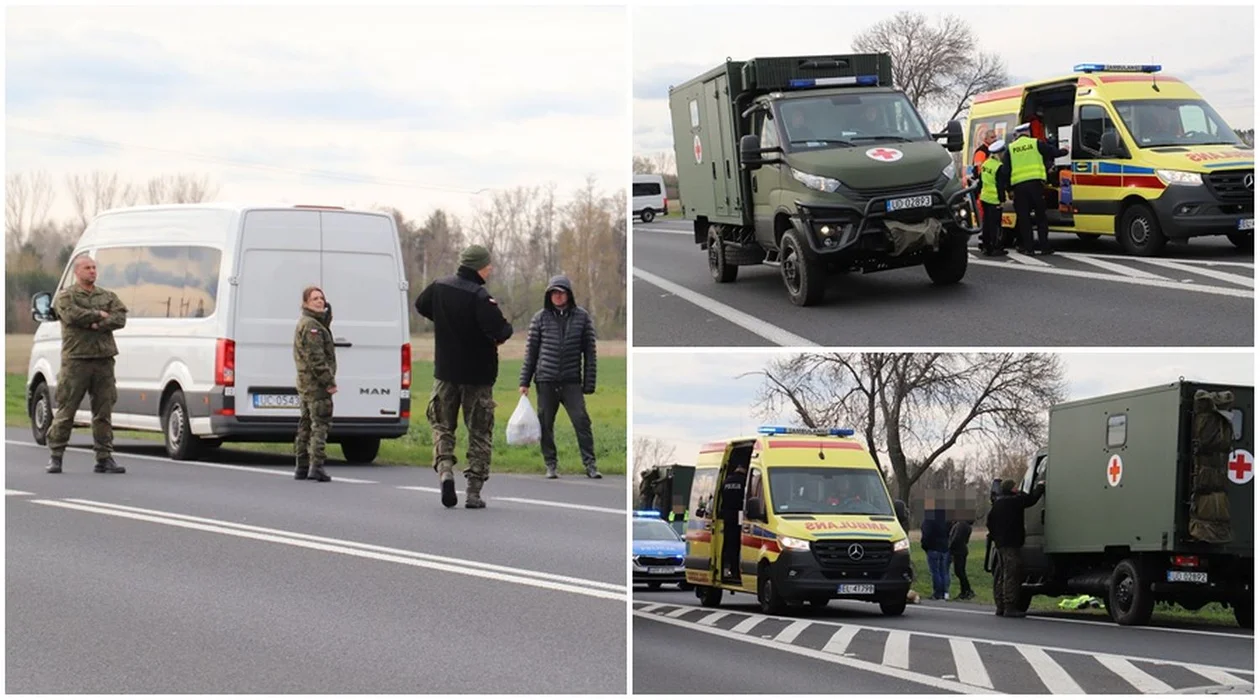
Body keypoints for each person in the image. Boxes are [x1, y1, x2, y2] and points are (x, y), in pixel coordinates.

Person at [415, 244, 513, 509]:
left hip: (445, 373)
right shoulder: (480, 296)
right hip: (477, 377)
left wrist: (446, 323)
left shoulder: (439, 286)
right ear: (478, 266)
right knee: (479, 433)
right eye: (488, 265)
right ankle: (473, 492)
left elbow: (421, 305)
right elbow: (502, 331)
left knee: (442, 426)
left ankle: (445, 469)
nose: (490, 269)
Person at [45, 254, 129, 475]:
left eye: (93, 267)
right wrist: (98, 314)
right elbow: (72, 316)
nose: (92, 271)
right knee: (66, 410)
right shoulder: (66, 296)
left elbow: (120, 317)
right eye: (87, 268)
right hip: (76, 361)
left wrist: (98, 324)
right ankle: (56, 456)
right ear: (77, 272)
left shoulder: (107, 296)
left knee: (103, 411)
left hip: (103, 360)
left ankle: (104, 457)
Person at [519, 275, 601, 480]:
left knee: (582, 421)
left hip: (571, 381)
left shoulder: (582, 317)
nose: (557, 296)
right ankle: (551, 464)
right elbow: (531, 352)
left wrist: (589, 383)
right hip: (546, 380)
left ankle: (590, 464)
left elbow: (590, 352)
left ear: (568, 294)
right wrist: (524, 381)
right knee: (545, 423)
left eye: (561, 292)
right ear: (549, 295)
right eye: (553, 293)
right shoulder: (540, 318)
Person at [1002, 123, 1068, 255]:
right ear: (1028, 132)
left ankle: (1029, 248)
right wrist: (1065, 150)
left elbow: (1006, 171)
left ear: (1017, 135)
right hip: (1036, 187)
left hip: (1019, 188)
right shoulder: (1035, 143)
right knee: (1041, 217)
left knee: (1024, 219)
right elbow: (1052, 152)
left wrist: (1009, 190)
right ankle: (1045, 247)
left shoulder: (1010, 148)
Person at [293, 286, 336, 483]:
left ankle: (301, 466)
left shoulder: (313, 323)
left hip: (305, 384)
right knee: (319, 424)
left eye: (322, 298)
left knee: (306, 424)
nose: (320, 302)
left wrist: (327, 316)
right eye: (315, 299)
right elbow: (316, 359)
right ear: (305, 303)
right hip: (315, 385)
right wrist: (329, 382)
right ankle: (316, 465)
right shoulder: (312, 327)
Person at [986, 479, 1046, 617]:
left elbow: (989, 523)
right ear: (1012, 489)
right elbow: (1031, 499)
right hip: (1011, 544)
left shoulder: (998, 504)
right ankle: (1010, 606)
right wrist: (1040, 486)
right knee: (1011, 574)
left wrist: (997, 537)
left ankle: (1000, 606)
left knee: (1002, 574)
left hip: (1000, 544)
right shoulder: (1014, 502)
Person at [978, 138, 1011, 255]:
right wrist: (1002, 200)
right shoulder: (999, 167)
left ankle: (986, 246)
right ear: (1000, 153)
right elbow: (1000, 186)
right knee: (995, 225)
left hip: (984, 197)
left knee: (986, 223)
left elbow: (980, 182)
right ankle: (995, 248)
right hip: (994, 199)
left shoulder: (985, 164)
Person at [719, 459, 748, 582]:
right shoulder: (744, 481)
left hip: (727, 515)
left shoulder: (726, 481)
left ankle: (732, 569)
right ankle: (739, 572)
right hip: (740, 515)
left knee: (730, 544)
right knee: (739, 544)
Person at [920, 497, 951, 600]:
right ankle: (945, 592)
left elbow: (926, 533)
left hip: (933, 547)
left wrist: (925, 546)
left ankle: (937, 593)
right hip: (944, 547)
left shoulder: (929, 518)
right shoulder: (946, 518)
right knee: (944, 571)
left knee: (935, 571)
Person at [949, 515, 975, 600]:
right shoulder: (967, 526)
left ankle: (966, 590)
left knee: (959, 572)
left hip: (958, 550)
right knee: (961, 572)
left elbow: (956, 538)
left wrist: (950, 547)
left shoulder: (961, 525)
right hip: (962, 549)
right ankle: (965, 591)